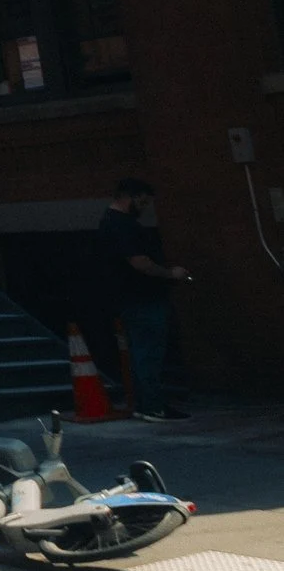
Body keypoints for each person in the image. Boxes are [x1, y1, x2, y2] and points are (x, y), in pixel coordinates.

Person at [102, 179, 191, 421]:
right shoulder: (123, 226)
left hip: (131, 297)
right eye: (142, 201)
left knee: (142, 352)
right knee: (148, 352)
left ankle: (147, 404)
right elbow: (139, 262)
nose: (145, 207)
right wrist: (170, 273)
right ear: (129, 197)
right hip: (142, 298)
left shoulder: (111, 223)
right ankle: (152, 405)